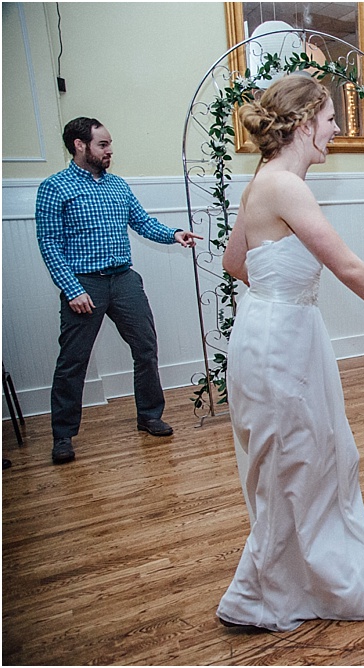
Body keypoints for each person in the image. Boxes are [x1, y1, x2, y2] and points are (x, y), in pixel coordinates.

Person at [217, 74, 364, 631]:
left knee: (298, 461)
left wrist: (276, 295)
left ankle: (277, 583)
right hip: (280, 343)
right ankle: (259, 595)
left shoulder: (261, 181)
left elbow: (233, 263)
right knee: (295, 464)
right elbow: (347, 267)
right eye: (329, 118)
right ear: (302, 123)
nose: (337, 128)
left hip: (270, 332)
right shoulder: (285, 186)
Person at [35, 117, 202, 465]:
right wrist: (72, 289)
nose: (110, 150)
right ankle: (63, 435)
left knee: (146, 348)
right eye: (103, 144)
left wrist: (174, 234)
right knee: (73, 361)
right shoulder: (55, 187)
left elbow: (142, 222)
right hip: (84, 284)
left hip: (123, 280)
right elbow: (49, 244)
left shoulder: (118, 186)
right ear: (80, 145)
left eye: (109, 143)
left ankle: (149, 416)